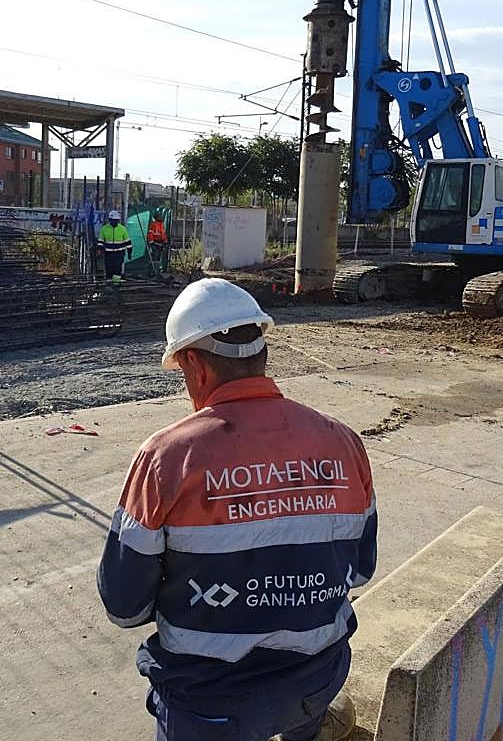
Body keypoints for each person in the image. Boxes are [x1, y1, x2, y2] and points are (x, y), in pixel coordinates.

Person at [98, 277, 376, 741]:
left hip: (209, 705)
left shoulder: (166, 459)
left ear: (195, 366)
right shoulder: (343, 441)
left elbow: (124, 607)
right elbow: (360, 571)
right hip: (315, 680)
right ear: (260, 354)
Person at [97, 209, 133, 284]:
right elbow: (100, 241)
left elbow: (128, 242)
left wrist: (129, 252)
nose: (114, 222)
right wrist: (100, 249)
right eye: (113, 220)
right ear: (109, 220)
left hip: (119, 253)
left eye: (116, 220)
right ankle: (109, 284)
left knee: (117, 269)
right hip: (108, 253)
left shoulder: (122, 229)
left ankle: (116, 285)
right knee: (109, 269)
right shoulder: (104, 229)